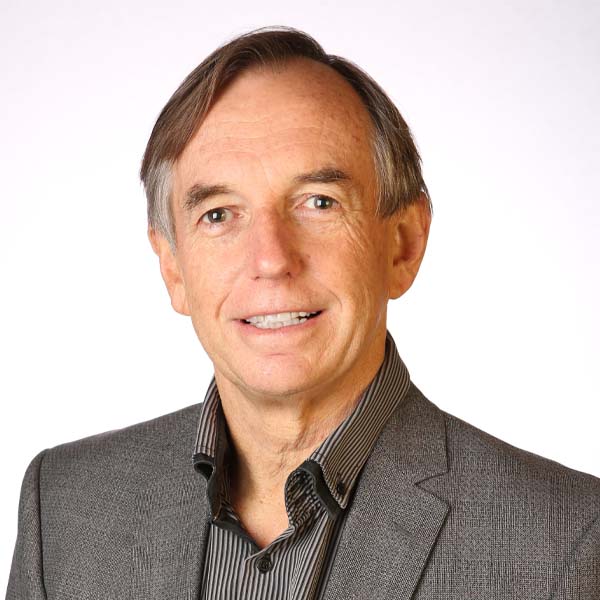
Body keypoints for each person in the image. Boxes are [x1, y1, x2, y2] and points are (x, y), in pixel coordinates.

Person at [7, 26, 600, 600]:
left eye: (318, 202)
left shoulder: (571, 540)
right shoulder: (64, 509)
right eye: (218, 214)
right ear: (173, 268)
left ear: (403, 244)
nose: (271, 259)